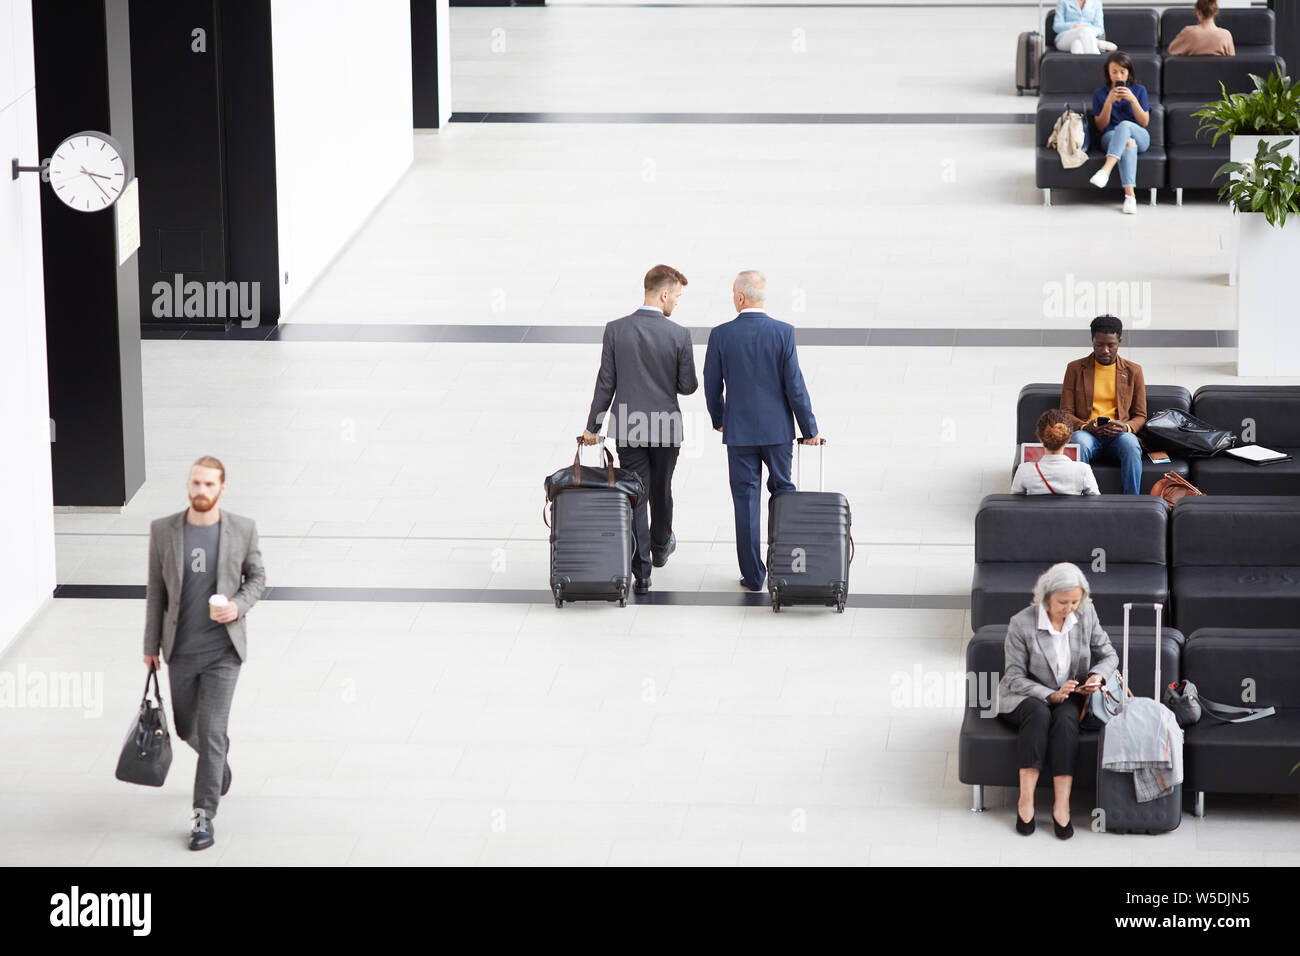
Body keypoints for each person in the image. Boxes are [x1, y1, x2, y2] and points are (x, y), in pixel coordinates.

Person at [143, 456, 265, 850]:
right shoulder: (163, 531)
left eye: (209, 485)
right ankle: (218, 762)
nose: (201, 491)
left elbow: (257, 578)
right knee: (185, 728)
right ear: (188, 484)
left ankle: (203, 815)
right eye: (196, 483)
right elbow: (155, 593)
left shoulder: (243, 530)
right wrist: (150, 647)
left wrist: (238, 605)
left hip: (223, 652)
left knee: (211, 732)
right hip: (180, 650)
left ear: (222, 488)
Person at [583, 264, 698, 595]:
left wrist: (593, 426)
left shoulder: (616, 329)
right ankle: (661, 547)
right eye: (676, 296)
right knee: (662, 489)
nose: (676, 303)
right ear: (663, 294)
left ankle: (641, 572)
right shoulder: (679, 335)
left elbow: (606, 382)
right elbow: (688, 386)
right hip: (666, 429)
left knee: (636, 494)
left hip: (629, 429)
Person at [703, 270, 821, 592]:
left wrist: (719, 418)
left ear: (741, 297)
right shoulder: (783, 333)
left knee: (746, 501)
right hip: (778, 432)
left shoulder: (721, 335)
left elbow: (712, 385)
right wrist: (808, 428)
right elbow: (794, 386)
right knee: (783, 494)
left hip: (739, 433)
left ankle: (754, 576)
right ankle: (787, 566)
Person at [996, 563, 1118, 839]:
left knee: (1065, 722)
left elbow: (1110, 655)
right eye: (1063, 602)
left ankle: (1061, 804)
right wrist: (1049, 694)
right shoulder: (1021, 623)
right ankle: (1025, 801)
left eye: (1075, 601)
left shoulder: (1086, 615)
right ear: (1046, 596)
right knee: (1039, 715)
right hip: (1026, 694)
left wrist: (1097, 677)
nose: (1070, 608)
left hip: (1071, 693)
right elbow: (1013, 677)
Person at [1059, 315, 1147, 495]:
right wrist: (1085, 426)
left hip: (1119, 436)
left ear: (1119, 342)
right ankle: (1076, 500)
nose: (1105, 350)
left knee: (1130, 444)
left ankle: (1133, 503)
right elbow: (1065, 412)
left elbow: (1140, 415)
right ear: (1092, 341)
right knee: (1079, 441)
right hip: (1088, 433)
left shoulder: (1133, 371)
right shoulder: (1075, 369)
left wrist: (1126, 427)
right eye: (1099, 345)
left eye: (1111, 345)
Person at [1087, 52, 1152, 215]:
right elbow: (1101, 126)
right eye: (1114, 71)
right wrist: (1108, 102)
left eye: (1122, 72)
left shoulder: (1139, 90)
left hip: (1140, 135)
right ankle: (1130, 197)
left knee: (1125, 126)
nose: (1118, 75)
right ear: (1108, 73)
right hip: (1111, 136)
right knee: (1129, 144)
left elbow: (1144, 122)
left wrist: (1133, 100)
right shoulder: (1100, 94)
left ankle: (1106, 170)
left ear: (1129, 72)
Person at [1012, 409, 1100, 495]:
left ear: (1040, 439)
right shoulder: (1083, 470)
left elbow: (1015, 502)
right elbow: (1094, 503)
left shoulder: (1024, 470)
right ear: (1068, 439)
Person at [1167, 0, 1235, 56]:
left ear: (1198, 12)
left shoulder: (1188, 32)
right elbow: (1231, 59)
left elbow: (1171, 50)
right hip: (1218, 72)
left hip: (1192, 72)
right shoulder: (1226, 35)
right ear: (1215, 12)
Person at [1053, 0, 1117, 55]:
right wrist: (1073, 26)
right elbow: (1057, 26)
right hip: (1064, 39)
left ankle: (1083, 68)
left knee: (1077, 45)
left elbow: (1099, 28)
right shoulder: (1063, 1)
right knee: (1083, 31)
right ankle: (1096, 57)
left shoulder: (1096, 2)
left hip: (1087, 36)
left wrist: (1088, 32)